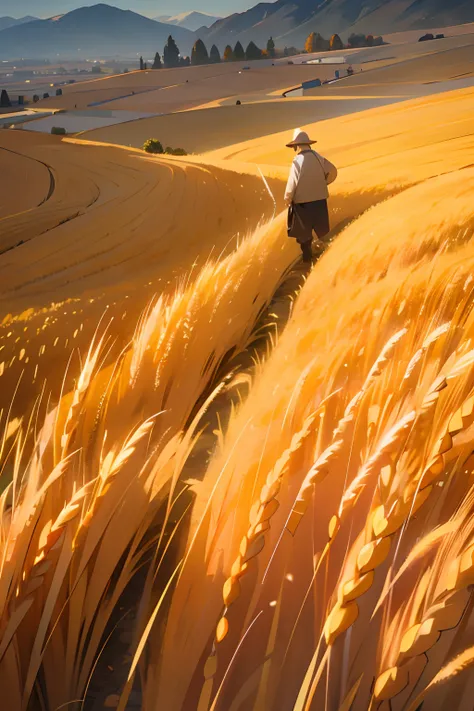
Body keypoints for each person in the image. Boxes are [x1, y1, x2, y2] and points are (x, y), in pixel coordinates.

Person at [284, 128, 338, 263]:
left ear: (296, 145)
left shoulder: (297, 161)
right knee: (323, 232)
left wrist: (288, 199)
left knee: (304, 236)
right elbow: (333, 171)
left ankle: (308, 259)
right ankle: (330, 258)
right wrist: (324, 183)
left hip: (303, 205)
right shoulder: (318, 157)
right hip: (320, 201)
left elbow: (292, 183)